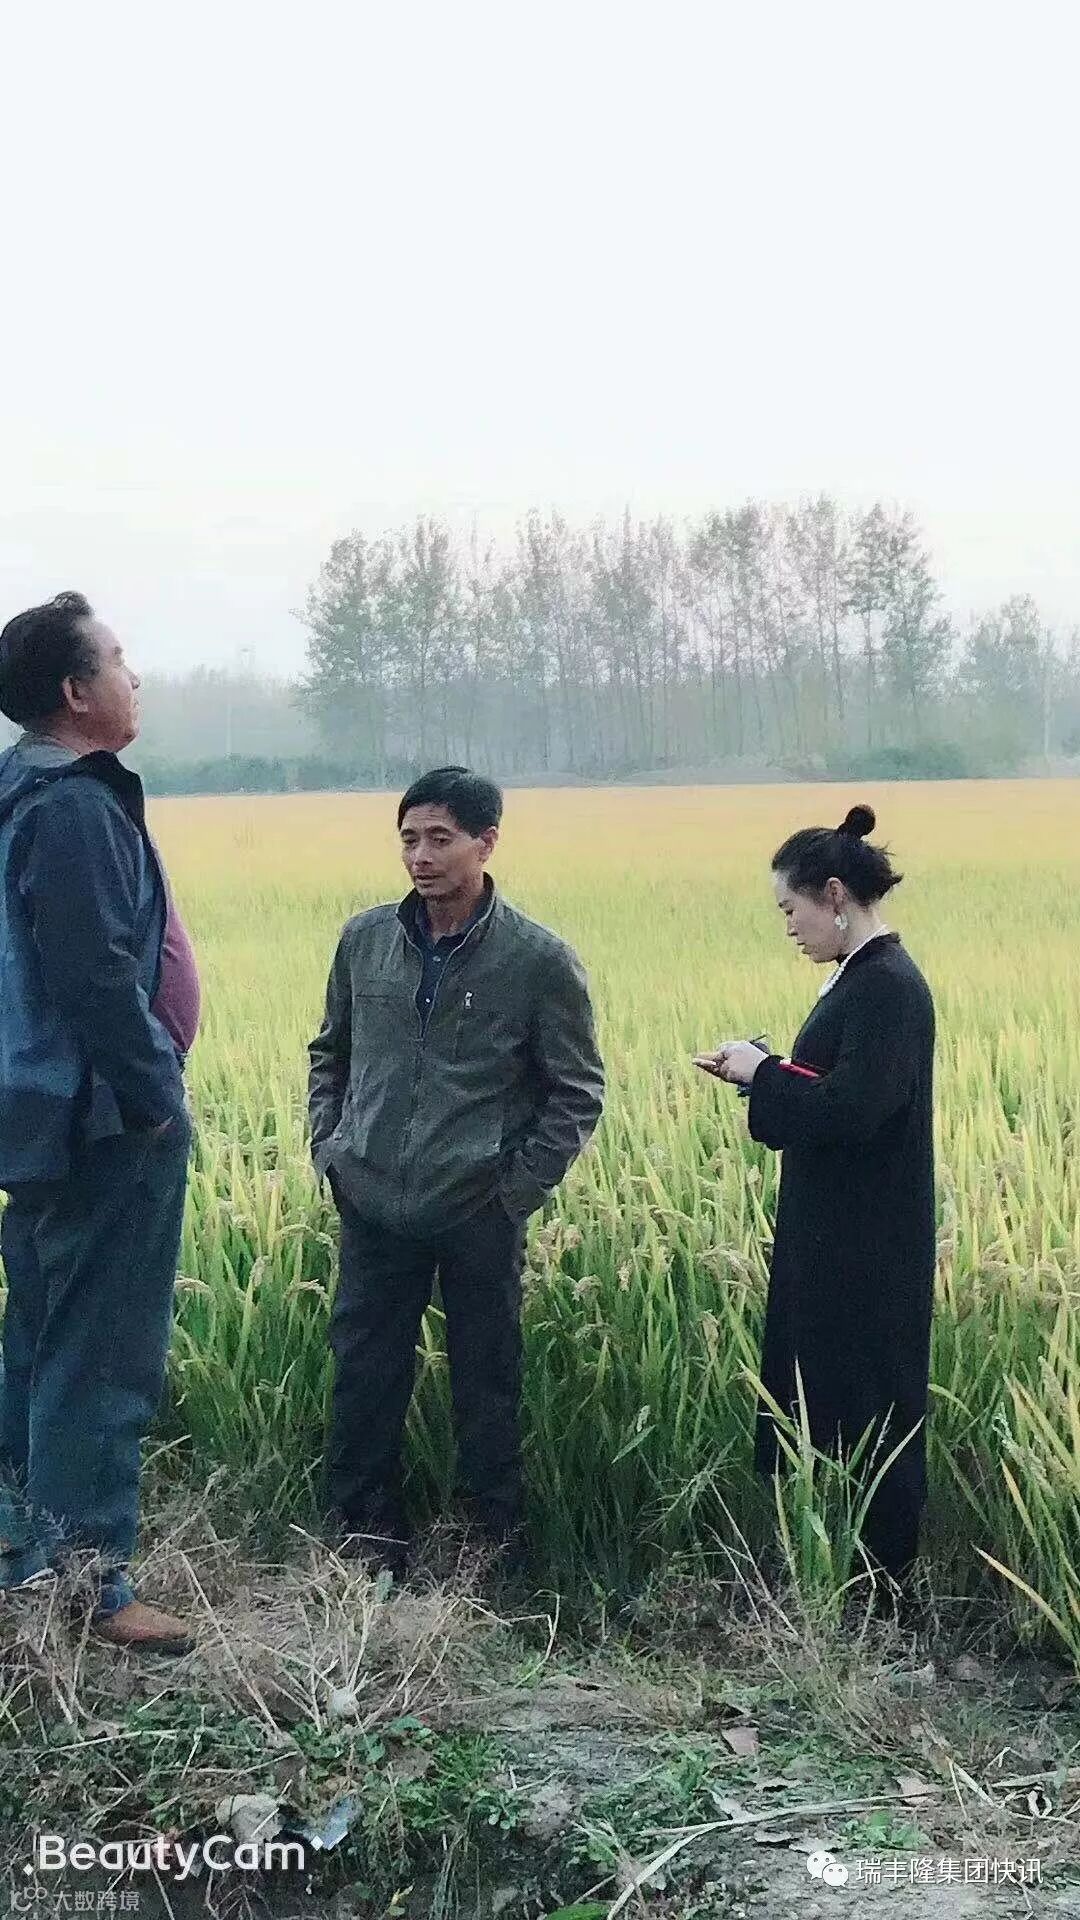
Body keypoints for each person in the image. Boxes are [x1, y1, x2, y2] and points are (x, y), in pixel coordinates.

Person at [308, 765, 605, 1578]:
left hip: (477, 1208)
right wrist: (331, 1150)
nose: (421, 856)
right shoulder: (365, 940)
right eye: (409, 839)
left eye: (440, 839)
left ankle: (490, 1550)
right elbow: (330, 1053)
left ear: (486, 842)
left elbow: (577, 1090)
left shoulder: (538, 960)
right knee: (364, 1373)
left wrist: (513, 1194)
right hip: (372, 1198)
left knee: (486, 1379)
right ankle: (364, 1541)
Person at [0, 592, 199, 1654]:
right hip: (100, 1120)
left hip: (36, 1113)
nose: (135, 677)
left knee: (39, 1340)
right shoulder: (72, 806)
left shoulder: (16, 789)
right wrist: (155, 1096)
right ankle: (92, 1585)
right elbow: (95, 975)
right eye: (119, 661)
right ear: (77, 693)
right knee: (102, 1352)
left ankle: (22, 1559)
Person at [694, 805, 935, 1594]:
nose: (789, 928)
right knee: (845, 1405)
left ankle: (883, 1597)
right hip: (844, 1231)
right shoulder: (865, 980)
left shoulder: (886, 987)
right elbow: (839, 1091)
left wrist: (760, 1072)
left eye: (789, 910)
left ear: (833, 894)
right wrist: (760, 1071)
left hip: (870, 1241)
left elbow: (855, 1109)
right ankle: (852, 1587)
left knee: (877, 1410)